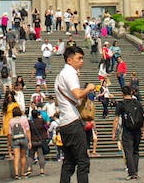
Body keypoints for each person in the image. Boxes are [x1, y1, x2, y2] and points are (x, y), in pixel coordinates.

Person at [55, 45, 96, 183]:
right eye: (79, 58)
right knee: (83, 161)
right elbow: (77, 94)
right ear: (69, 60)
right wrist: (89, 88)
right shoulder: (69, 73)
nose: (82, 61)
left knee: (69, 161)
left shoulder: (60, 75)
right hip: (73, 122)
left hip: (65, 122)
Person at [114, 85, 144, 180]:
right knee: (136, 151)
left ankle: (132, 173)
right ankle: (135, 171)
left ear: (122, 93)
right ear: (131, 93)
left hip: (127, 130)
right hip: (138, 130)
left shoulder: (121, 104)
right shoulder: (137, 103)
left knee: (128, 152)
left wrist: (114, 132)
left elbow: (116, 119)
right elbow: (143, 117)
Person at [7, 105, 31, 179]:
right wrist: (29, 141)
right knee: (23, 156)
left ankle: (16, 174)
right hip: (23, 138)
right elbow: (27, 131)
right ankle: (22, 173)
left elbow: (9, 134)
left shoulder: (11, 121)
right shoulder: (24, 119)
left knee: (16, 157)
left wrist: (9, 144)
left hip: (15, 139)